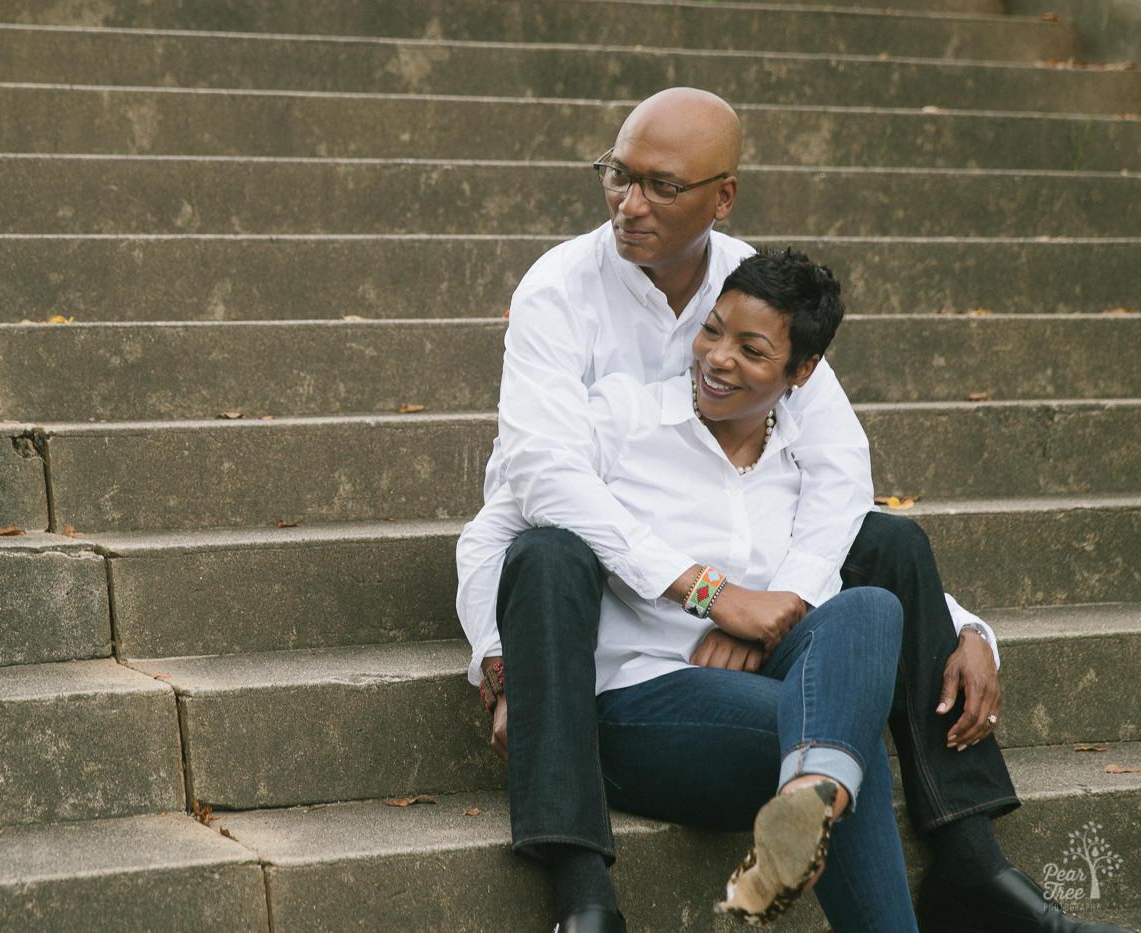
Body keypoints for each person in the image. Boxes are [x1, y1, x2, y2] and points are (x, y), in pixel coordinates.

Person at [457, 87, 1135, 933]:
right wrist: (511, 658)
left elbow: (839, 475)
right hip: (617, 634)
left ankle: (960, 854)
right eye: (615, 175)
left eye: (659, 186)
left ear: (722, 195)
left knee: (885, 571)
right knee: (825, 724)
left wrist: (942, 620)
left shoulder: (755, 294)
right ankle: (593, 893)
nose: (628, 204)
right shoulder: (582, 334)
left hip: (753, 629)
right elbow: (530, 494)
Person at [466, 247, 918, 929]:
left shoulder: (809, 459)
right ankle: (814, 793)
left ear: (802, 372)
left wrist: (965, 626)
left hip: (763, 694)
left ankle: (807, 798)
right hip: (638, 701)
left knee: (873, 607)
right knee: (844, 749)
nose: (717, 357)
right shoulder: (622, 417)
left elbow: (842, 558)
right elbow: (499, 531)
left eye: (751, 348)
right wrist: (508, 671)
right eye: (712, 330)